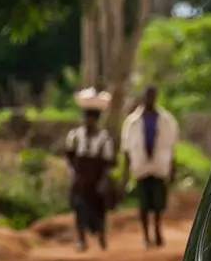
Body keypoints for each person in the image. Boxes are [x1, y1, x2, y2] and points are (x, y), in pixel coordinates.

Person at [120, 86, 180, 249]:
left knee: (159, 203)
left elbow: (172, 147)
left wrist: (173, 168)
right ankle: (146, 237)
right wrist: (125, 174)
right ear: (143, 98)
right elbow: (126, 149)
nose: (150, 100)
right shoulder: (132, 122)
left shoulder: (167, 120)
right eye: (148, 96)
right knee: (144, 204)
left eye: (153, 96)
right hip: (141, 167)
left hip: (160, 166)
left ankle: (158, 229)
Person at [61, 88, 117, 252]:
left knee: (99, 210)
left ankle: (101, 235)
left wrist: (103, 181)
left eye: (92, 118)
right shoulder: (75, 136)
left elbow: (107, 162)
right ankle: (81, 240)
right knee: (79, 208)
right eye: (86, 117)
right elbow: (69, 157)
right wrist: (73, 174)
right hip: (80, 179)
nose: (88, 121)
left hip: (96, 180)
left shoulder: (104, 138)